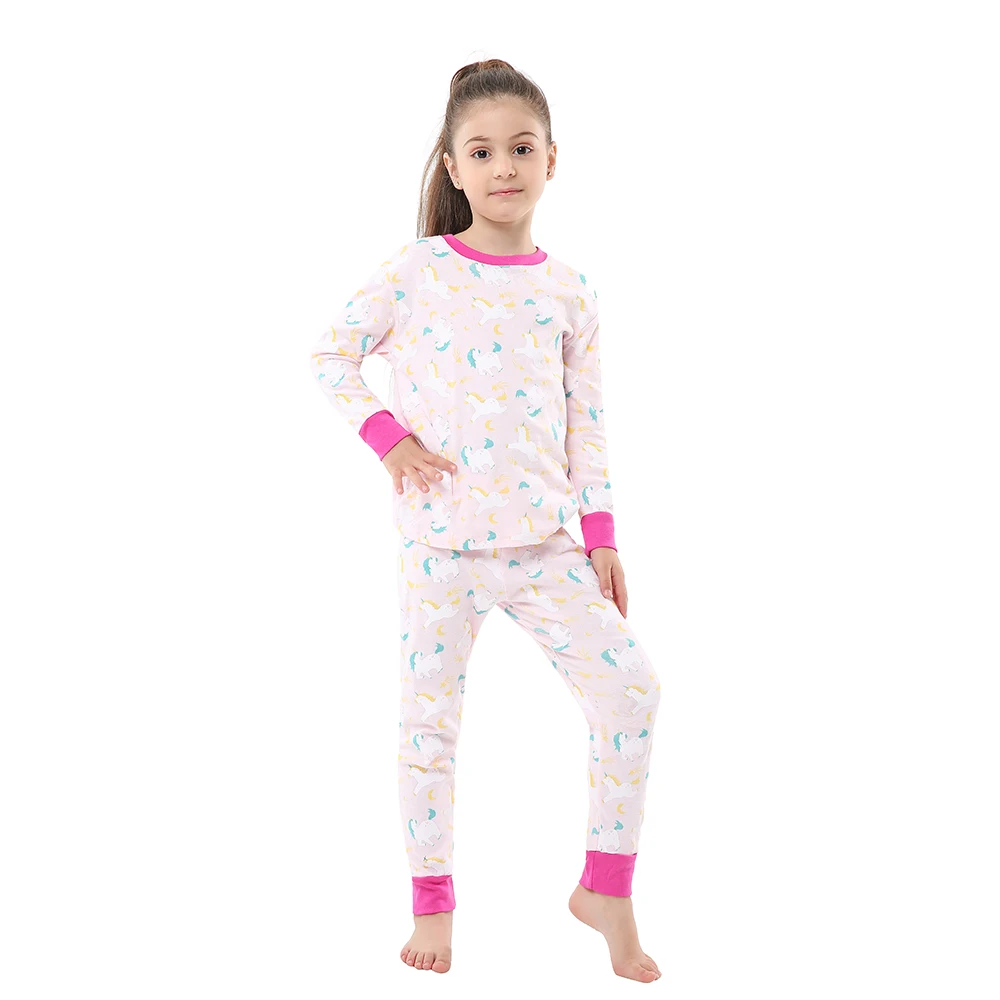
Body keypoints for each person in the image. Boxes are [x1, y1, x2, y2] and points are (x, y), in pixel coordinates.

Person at [308, 58, 662, 983]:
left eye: (521, 148)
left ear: (552, 159)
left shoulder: (571, 291)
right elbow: (332, 356)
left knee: (631, 691)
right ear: (453, 167)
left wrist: (601, 537)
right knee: (429, 729)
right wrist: (390, 441)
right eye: (482, 151)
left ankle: (607, 888)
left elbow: (588, 424)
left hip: (546, 547)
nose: (504, 166)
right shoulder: (416, 270)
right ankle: (432, 907)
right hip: (441, 549)